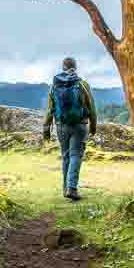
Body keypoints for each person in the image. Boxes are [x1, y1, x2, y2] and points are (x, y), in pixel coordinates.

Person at [42, 57, 97, 201]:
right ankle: (71, 188)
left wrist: (46, 129)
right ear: (75, 67)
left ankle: (65, 188)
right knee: (75, 155)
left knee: (66, 156)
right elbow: (91, 106)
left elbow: (50, 109)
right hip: (80, 125)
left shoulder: (54, 85)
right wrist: (93, 125)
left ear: (63, 67)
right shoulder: (82, 84)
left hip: (61, 126)